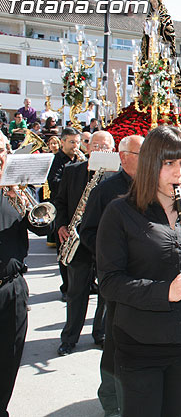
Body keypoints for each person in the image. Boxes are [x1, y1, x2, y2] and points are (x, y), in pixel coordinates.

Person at [96, 126, 181, 417]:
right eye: (169, 164)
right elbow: (110, 283)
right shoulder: (121, 213)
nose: (179, 173)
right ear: (151, 164)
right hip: (140, 345)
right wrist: (166, 292)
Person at [79, 135, 144, 417]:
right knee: (115, 343)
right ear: (125, 156)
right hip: (117, 278)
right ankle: (110, 400)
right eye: (144, 154)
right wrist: (112, 256)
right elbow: (88, 232)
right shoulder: (105, 191)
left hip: (145, 279)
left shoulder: (152, 187)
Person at [0, 134, 52, 417]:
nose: (3, 155)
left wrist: (23, 198)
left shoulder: (16, 187)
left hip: (12, 288)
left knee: (9, 357)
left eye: (6, 149)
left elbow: (43, 228)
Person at [55, 131, 115, 356]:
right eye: (95, 144)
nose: (99, 149)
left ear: (112, 150)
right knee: (76, 293)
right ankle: (69, 338)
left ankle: (100, 333)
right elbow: (60, 202)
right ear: (88, 147)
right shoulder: (72, 171)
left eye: (105, 146)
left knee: (106, 294)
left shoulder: (117, 176)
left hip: (105, 242)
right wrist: (61, 225)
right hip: (77, 241)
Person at [47, 128, 84, 300]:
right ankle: (66, 288)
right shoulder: (57, 160)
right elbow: (54, 183)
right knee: (64, 251)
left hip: (79, 210)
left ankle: (85, 285)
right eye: (71, 142)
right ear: (62, 142)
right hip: (63, 210)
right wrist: (73, 180)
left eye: (77, 142)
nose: (75, 146)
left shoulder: (80, 158)